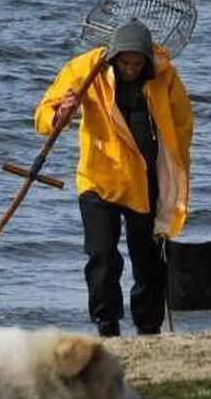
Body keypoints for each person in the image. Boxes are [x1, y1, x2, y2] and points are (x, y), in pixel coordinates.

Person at [34, 19, 193, 337]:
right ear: (115, 57)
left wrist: (173, 169)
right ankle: (107, 325)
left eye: (138, 64)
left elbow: (182, 123)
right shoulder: (85, 69)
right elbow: (43, 116)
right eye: (126, 63)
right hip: (98, 179)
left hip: (145, 179)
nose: (131, 69)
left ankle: (149, 326)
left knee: (148, 259)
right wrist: (60, 113)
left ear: (147, 59)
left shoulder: (165, 75)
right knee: (102, 257)